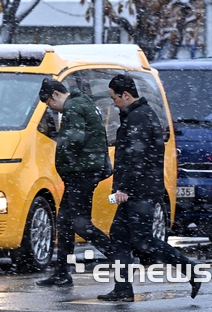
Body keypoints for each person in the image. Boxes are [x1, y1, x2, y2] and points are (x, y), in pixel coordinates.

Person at [98, 74, 201, 302]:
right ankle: (123, 289)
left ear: (126, 95)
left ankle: (190, 269)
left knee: (143, 240)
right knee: (120, 236)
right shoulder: (138, 115)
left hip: (139, 190)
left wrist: (123, 188)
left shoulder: (139, 118)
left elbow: (136, 157)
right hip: (140, 188)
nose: (113, 102)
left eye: (114, 97)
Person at [36, 79, 114, 287]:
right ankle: (62, 272)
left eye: (48, 103)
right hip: (81, 173)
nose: (50, 107)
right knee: (65, 223)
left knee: (80, 223)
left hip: (82, 174)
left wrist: (66, 158)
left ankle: (120, 257)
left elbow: (74, 139)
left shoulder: (74, 108)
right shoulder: (83, 103)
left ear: (55, 94)